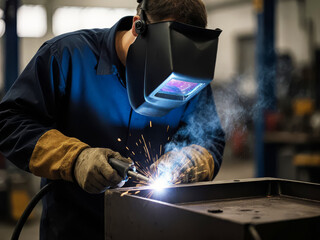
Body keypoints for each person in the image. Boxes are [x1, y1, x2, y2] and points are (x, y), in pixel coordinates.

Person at [0, 0, 225, 239]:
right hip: (76, 231)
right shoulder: (67, 56)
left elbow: (211, 138)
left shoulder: (189, 79)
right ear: (139, 26)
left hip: (158, 229)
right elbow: (9, 122)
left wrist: (193, 159)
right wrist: (75, 158)